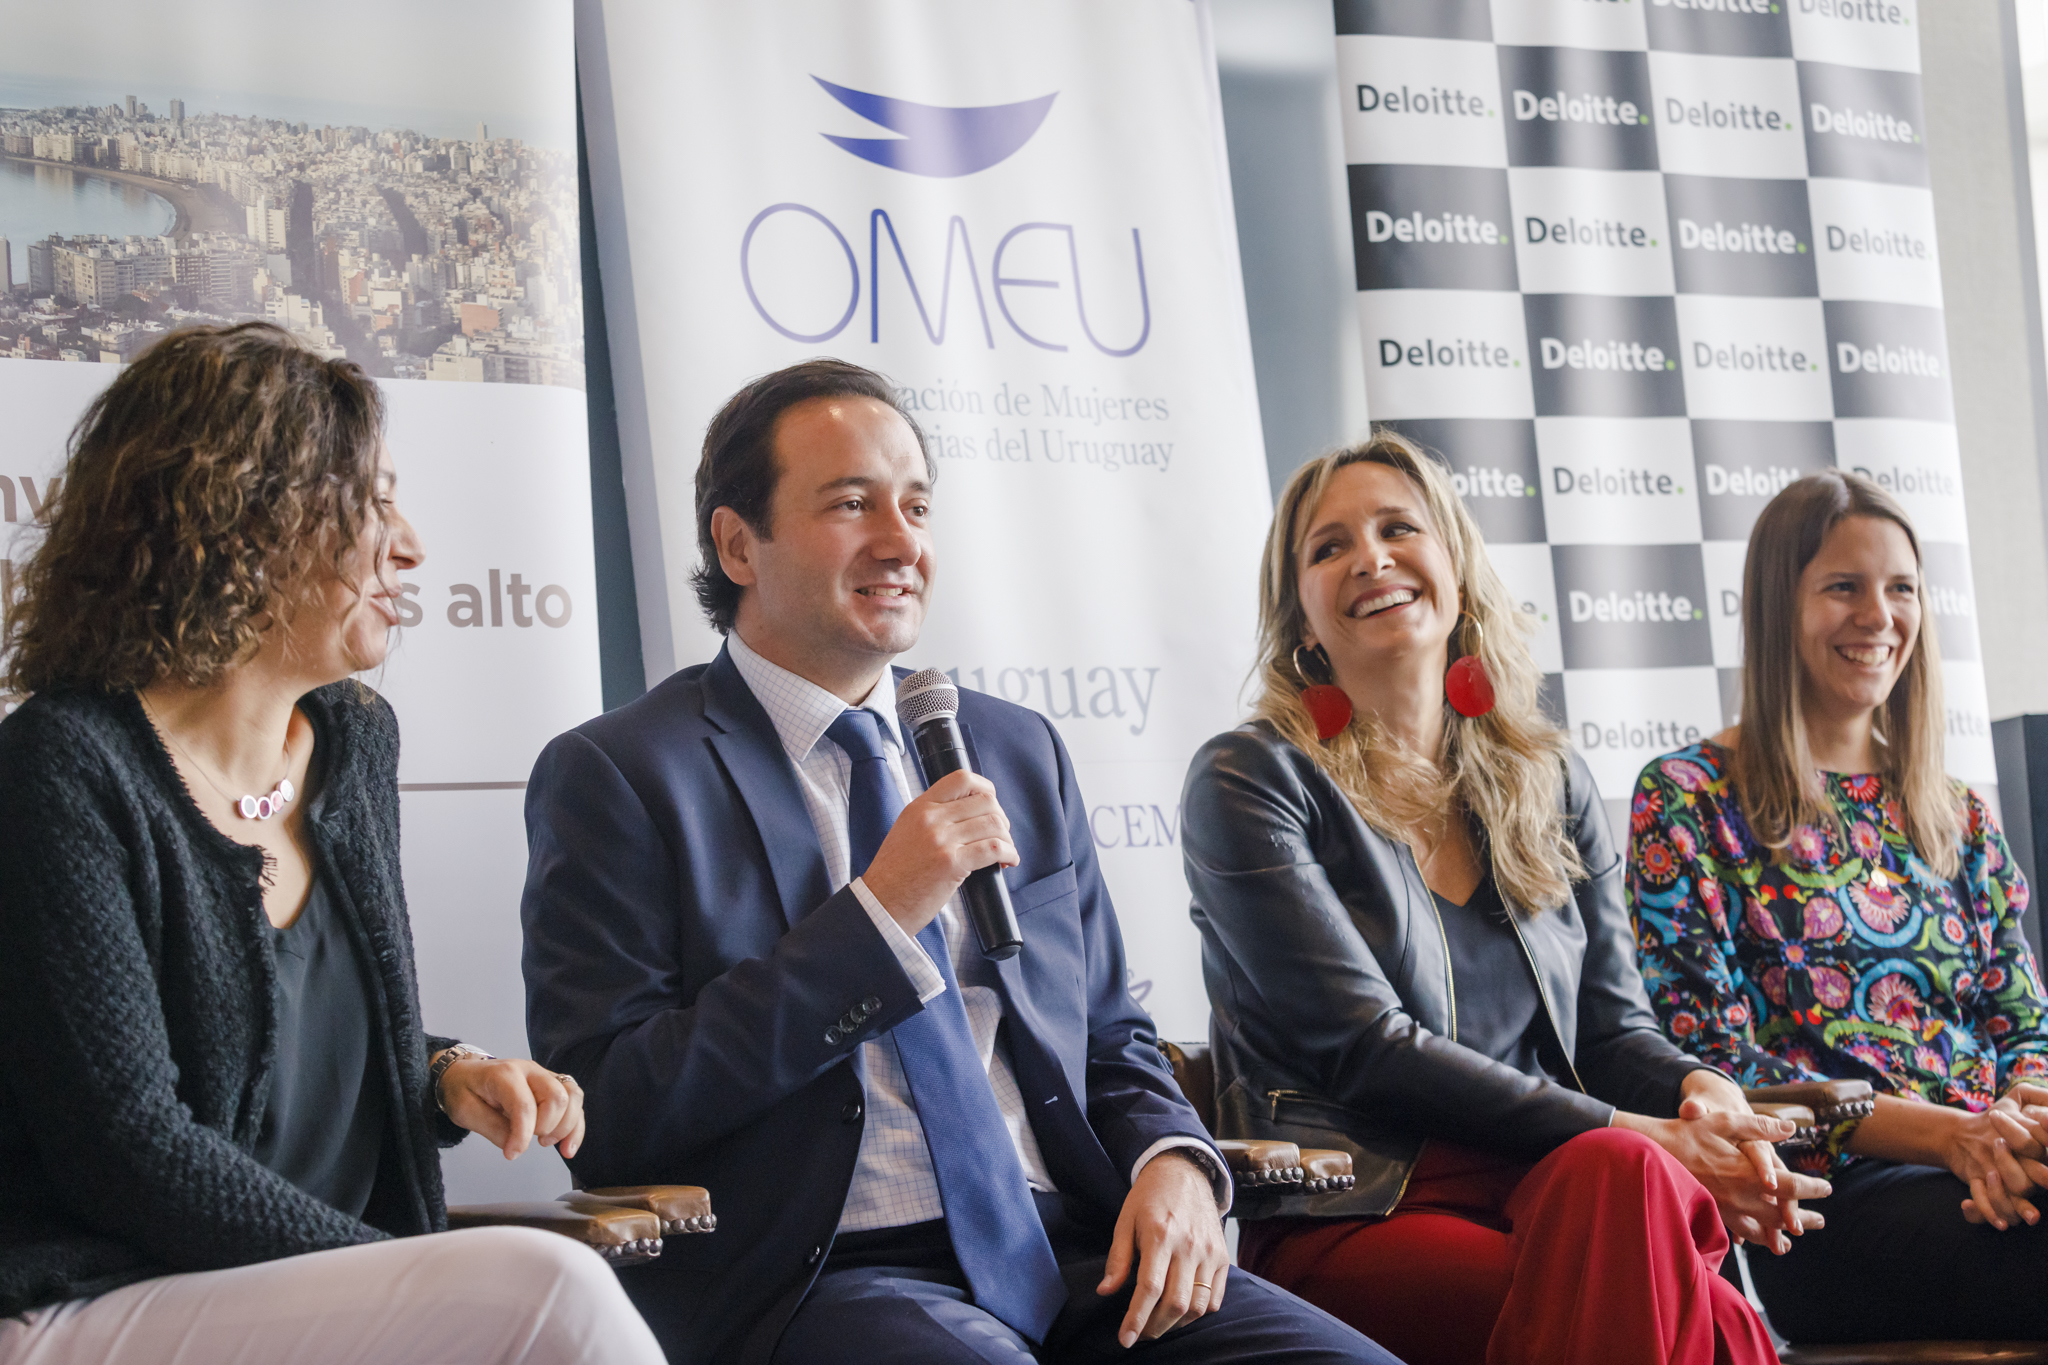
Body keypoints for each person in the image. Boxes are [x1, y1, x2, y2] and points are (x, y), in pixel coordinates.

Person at [519, 358, 1387, 1365]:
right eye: (851, 504)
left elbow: (1110, 1032)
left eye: (917, 506)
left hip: (1078, 1254)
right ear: (737, 543)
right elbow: (614, 1109)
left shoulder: (1013, 749)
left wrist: (1176, 1160)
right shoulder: (623, 773)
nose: (901, 542)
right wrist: (879, 918)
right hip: (825, 1276)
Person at [0, 323, 665, 1365]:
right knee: (545, 1288)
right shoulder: (64, 766)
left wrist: (443, 1074)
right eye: (374, 502)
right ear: (243, 520)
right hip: (95, 1297)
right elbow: (128, 1148)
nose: (411, 545)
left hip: (319, 1296)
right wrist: (413, 1279)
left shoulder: (353, 742)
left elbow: (280, 1036)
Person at [1179, 430, 1821, 1365]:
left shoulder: (1548, 779)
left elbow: (1611, 1033)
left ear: (1459, 571)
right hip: (1362, 1206)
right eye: (1329, 547)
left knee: (1623, 1183)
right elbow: (1364, 1047)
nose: (1371, 557)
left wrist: (1700, 1091)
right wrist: (1639, 1135)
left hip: (1562, 1188)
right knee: (1696, 1303)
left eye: (1400, 528)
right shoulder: (1251, 778)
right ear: (1303, 623)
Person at [1629, 469, 2048, 1343]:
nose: (1879, 616)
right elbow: (1717, 1066)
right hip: (1833, 1202)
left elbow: (2024, 1025)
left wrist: (2014, 1129)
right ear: (1778, 606)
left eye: (1902, 589)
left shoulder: (1956, 812)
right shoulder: (1689, 799)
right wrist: (1950, 1136)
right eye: (1844, 587)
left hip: (2002, 1164)